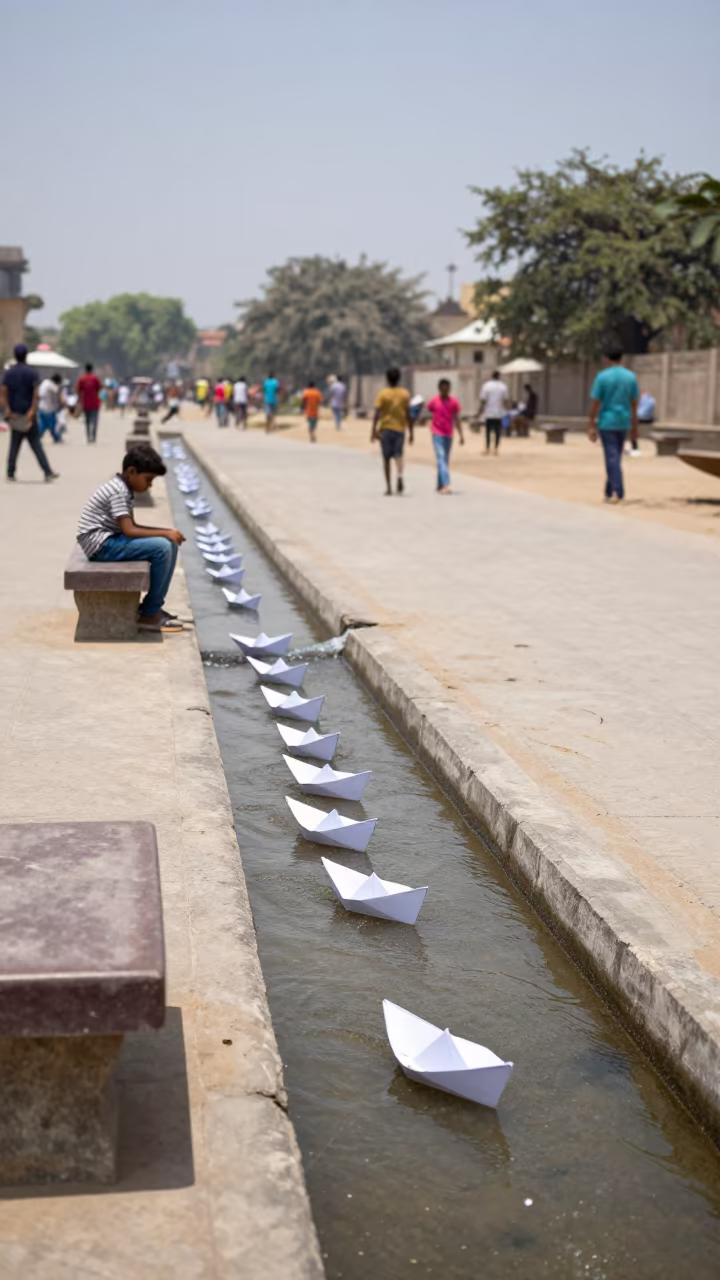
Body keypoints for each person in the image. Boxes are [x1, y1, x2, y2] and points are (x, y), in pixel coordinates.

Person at [76, 443, 185, 633]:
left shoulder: (123, 487)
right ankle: (150, 614)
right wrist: (165, 533)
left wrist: (167, 532)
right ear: (131, 472)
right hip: (101, 546)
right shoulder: (118, 490)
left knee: (169, 543)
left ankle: (152, 608)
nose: (150, 485)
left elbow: (132, 527)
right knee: (163, 548)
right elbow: (129, 530)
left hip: (106, 541)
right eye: (148, 479)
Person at [588, 344, 639, 502]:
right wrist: (635, 426)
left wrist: (591, 423)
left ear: (607, 358)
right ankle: (608, 491)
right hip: (624, 421)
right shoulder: (630, 377)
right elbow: (634, 403)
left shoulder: (602, 377)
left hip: (607, 421)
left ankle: (617, 491)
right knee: (615, 456)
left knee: (611, 456)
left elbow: (596, 403)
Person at [1, 344, 58, 482]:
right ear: (26, 355)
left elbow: (3, 392)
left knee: (14, 444)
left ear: (15, 356)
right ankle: (47, 471)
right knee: (36, 445)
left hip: (15, 415)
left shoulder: (9, 373)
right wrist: (32, 411)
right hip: (29, 416)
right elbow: (36, 394)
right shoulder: (32, 373)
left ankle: (10, 472)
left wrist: (8, 410)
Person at [371, 366, 412, 495]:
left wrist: (373, 430)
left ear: (387, 379)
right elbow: (408, 414)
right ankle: (399, 475)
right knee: (398, 455)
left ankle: (389, 487)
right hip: (400, 429)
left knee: (386, 458)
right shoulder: (405, 394)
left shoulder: (382, 394)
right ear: (399, 378)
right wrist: (411, 432)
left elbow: (377, 413)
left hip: (385, 429)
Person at [426, 378, 464, 493]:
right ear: (439, 389)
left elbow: (457, 419)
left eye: (447, 389)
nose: (445, 392)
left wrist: (461, 435)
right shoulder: (434, 401)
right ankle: (446, 484)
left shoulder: (453, 402)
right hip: (437, 433)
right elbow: (429, 410)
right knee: (441, 457)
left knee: (444, 459)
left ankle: (440, 484)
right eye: (443, 389)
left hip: (448, 434)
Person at [478, 370, 510, 453]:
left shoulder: (486, 386)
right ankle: (496, 448)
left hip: (489, 412)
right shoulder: (503, 386)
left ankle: (487, 448)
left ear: (492, 376)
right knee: (497, 431)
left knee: (488, 431)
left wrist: (480, 411)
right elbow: (505, 400)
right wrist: (507, 410)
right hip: (499, 412)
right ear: (499, 376)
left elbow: (483, 400)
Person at [77, 362, 102, 443]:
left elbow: (78, 390)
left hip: (85, 403)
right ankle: (93, 437)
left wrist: (80, 400)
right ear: (91, 369)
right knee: (94, 421)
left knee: (87, 421)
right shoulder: (95, 378)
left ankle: (88, 437)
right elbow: (99, 388)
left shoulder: (82, 378)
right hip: (95, 403)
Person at [37, 373, 64, 443]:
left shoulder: (45, 382)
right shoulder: (51, 385)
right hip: (48, 409)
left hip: (41, 407)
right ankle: (57, 437)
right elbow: (57, 392)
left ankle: (38, 437)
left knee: (43, 424)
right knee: (52, 425)